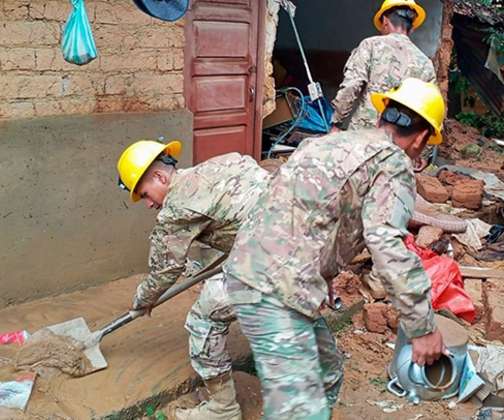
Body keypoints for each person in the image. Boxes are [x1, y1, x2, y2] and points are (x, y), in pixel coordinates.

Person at [223, 78, 449, 420]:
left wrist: (323, 272)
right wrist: (423, 327)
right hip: (274, 291)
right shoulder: (393, 162)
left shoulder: (324, 144)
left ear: (379, 118)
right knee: (300, 413)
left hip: (258, 273)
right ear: (421, 139)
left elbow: (304, 210)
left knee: (329, 372)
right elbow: (387, 243)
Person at [117, 141, 271, 420]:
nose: (149, 204)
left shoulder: (176, 210)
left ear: (161, 177)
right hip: (308, 242)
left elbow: (166, 270)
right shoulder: (220, 163)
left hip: (273, 262)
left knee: (204, 318)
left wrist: (143, 300)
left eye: (145, 194)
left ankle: (223, 410)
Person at [330, 0, 435, 170]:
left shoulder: (370, 46)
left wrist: (336, 124)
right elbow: (431, 110)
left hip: (361, 139)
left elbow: (351, 86)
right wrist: (423, 152)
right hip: (400, 147)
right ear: (412, 28)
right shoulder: (425, 63)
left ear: (385, 20)